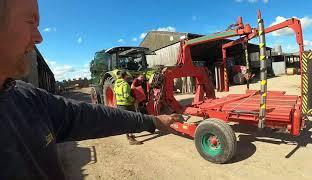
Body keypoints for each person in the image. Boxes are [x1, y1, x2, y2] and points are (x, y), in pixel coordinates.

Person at [0, 0, 179, 179]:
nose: (39, 37)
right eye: (30, 22)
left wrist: (152, 121)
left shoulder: (28, 98)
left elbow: (91, 115)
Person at [114, 70, 142, 145]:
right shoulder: (125, 84)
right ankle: (131, 140)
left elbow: (116, 93)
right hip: (127, 104)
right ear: (125, 76)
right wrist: (134, 100)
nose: (128, 76)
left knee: (125, 121)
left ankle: (128, 136)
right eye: (127, 75)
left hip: (120, 104)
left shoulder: (116, 83)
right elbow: (126, 96)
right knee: (131, 121)